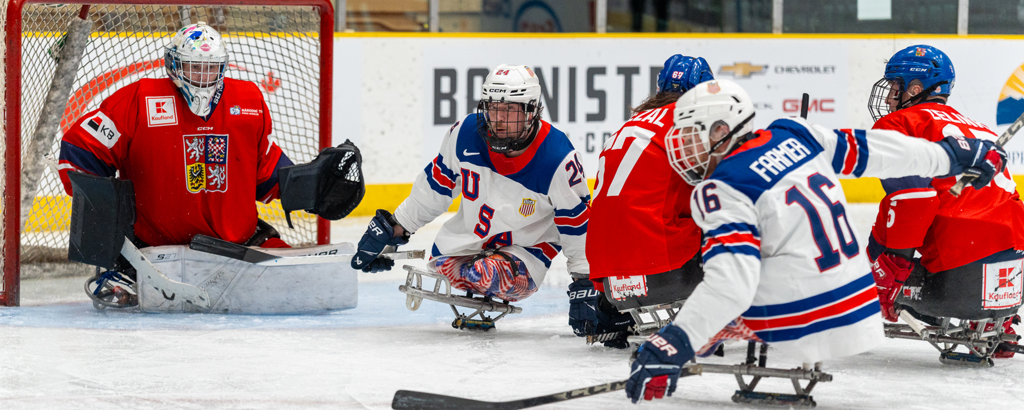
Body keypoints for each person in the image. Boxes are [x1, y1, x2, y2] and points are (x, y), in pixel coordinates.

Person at [626, 79, 1007, 402]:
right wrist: (951, 155)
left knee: (728, 265)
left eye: (690, 135)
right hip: (859, 303)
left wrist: (676, 341)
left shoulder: (721, 188)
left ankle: (731, 327)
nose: (682, 148)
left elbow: (731, 283)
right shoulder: (795, 132)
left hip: (804, 323)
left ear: (722, 131)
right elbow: (879, 152)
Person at [351, 64, 590, 305]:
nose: (498, 119)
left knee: (483, 275)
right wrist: (395, 227)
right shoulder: (465, 133)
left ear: (531, 111)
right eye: (493, 108)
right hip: (469, 243)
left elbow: (577, 224)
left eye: (509, 109)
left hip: (524, 254)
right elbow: (434, 188)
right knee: (441, 268)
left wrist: (585, 281)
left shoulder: (557, 158)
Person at [57, 22, 294, 249]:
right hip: (159, 251)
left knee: (301, 280)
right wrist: (110, 212)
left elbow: (267, 175)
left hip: (239, 246)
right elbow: (80, 151)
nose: (203, 76)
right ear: (175, 65)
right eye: (195, 67)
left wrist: (310, 186)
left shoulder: (248, 100)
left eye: (211, 67)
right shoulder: (140, 99)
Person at [867, 45, 1024, 358]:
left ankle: (895, 291)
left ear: (915, 88)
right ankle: (1002, 319)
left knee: (887, 221)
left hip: (953, 274)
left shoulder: (898, 124)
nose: (888, 98)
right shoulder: (980, 130)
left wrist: (890, 268)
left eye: (895, 88)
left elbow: (913, 199)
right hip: (1012, 268)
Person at [573, 55, 713, 347]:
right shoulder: (692, 124)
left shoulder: (627, 126)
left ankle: (615, 313)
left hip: (610, 284)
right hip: (667, 275)